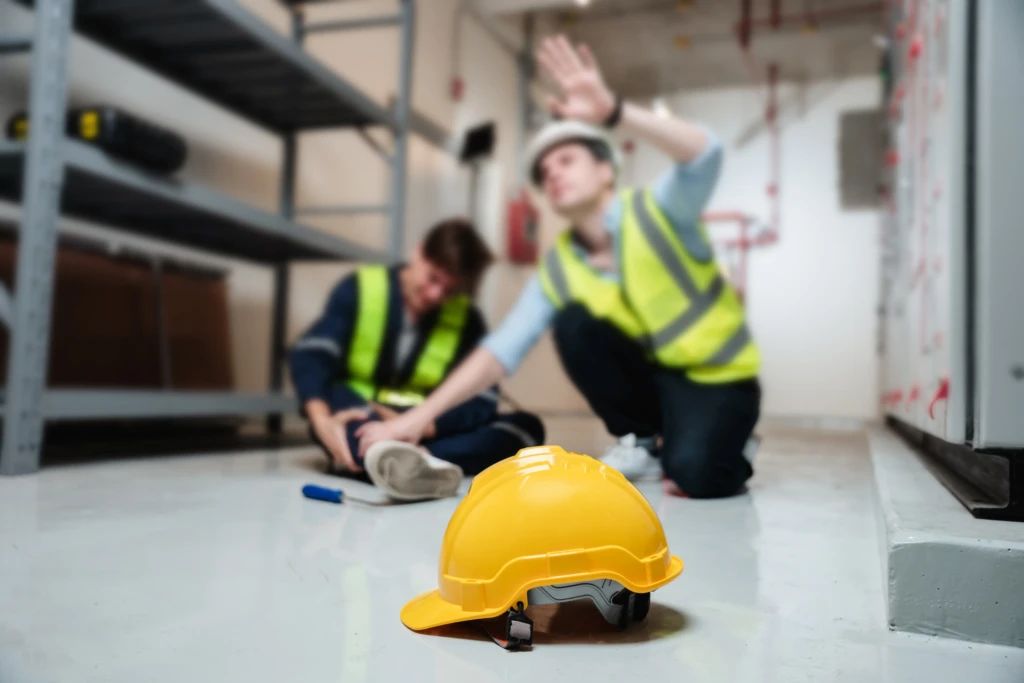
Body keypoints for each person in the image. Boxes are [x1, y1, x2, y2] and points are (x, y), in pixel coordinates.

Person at [356, 35, 761, 499]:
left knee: (696, 474)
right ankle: (644, 440)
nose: (554, 175)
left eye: (566, 160)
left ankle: (731, 441)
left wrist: (613, 112)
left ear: (606, 169)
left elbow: (705, 154)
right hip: (656, 381)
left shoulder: (658, 211)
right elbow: (499, 351)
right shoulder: (561, 264)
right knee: (573, 324)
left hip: (716, 376)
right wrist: (417, 418)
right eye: (546, 172)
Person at [289, 218, 545, 501]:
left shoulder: (466, 319)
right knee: (342, 417)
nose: (436, 295)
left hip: (427, 426)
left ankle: (413, 461)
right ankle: (416, 460)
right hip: (365, 414)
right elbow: (313, 355)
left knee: (527, 427)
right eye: (433, 278)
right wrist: (322, 421)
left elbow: (483, 397)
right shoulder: (361, 289)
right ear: (418, 252)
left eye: (449, 290)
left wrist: (421, 425)